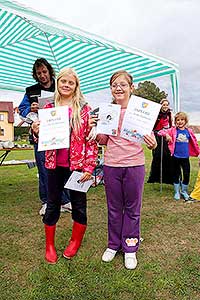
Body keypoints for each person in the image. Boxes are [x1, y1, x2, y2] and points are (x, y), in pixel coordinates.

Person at [90, 70, 157, 270]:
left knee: (132, 210)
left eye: (122, 84)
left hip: (135, 165)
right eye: (114, 85)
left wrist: (152, 143)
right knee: (113, 208)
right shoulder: (107, 111)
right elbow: (102, 140)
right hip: (112, 165)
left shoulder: (140, 111)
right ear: (111, 89)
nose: (118, 88)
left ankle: (130, 247)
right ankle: (113, 245)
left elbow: (151, 142)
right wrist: (96, 131)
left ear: (131, 87)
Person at [32, 67, 98, 264]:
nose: (66, 85)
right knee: (52, 205)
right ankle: (50, 245)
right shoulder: (48, 108)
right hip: (53, 165)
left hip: (77, 167)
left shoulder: (84, 109)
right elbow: (39, 137)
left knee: (79, 206)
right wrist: (35, 131)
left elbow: (91, 141)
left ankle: (75, 242)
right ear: (57, 83)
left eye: (71, 82)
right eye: (63, 81)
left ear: (76, 86)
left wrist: (89, 167)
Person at [18, 58, 71, 215]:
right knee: (44, 169)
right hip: (40, 136)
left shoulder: (61, 85)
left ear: (50, 71)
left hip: (61, 133)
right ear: (35, 75)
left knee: (63, 168)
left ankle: (65, 200)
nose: (42, 75)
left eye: (44, 72)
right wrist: (31, 109)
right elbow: (22, 110)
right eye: (38, 73)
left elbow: (72, 102)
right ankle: (47, 202)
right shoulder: (30, 90)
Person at [158, 112, 200, 201]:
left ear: (185, 121)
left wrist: (198, 152)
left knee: (186, 174)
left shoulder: (189, 131)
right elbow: (160, 132)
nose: (180, 122)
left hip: (185, 158)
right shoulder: (173, 130)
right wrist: (167, 135)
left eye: (182, 120)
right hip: (175, 157)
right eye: (178, 120)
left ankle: (184, 191)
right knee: (176, 174)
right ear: (175, 121)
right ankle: (177, 191)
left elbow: (195, 142)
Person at [147, 98, 174, 184]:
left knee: (167, 156)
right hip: (157, 135)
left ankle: (168, 178)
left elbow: (171, 124)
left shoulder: (169, 114)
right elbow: (153, 125)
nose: (165, 106)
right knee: (157, 155)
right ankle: (155, 177)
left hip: (166, 135)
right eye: (164, 104)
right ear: (161, 105)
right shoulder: (157, 113)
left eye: (166, 105)